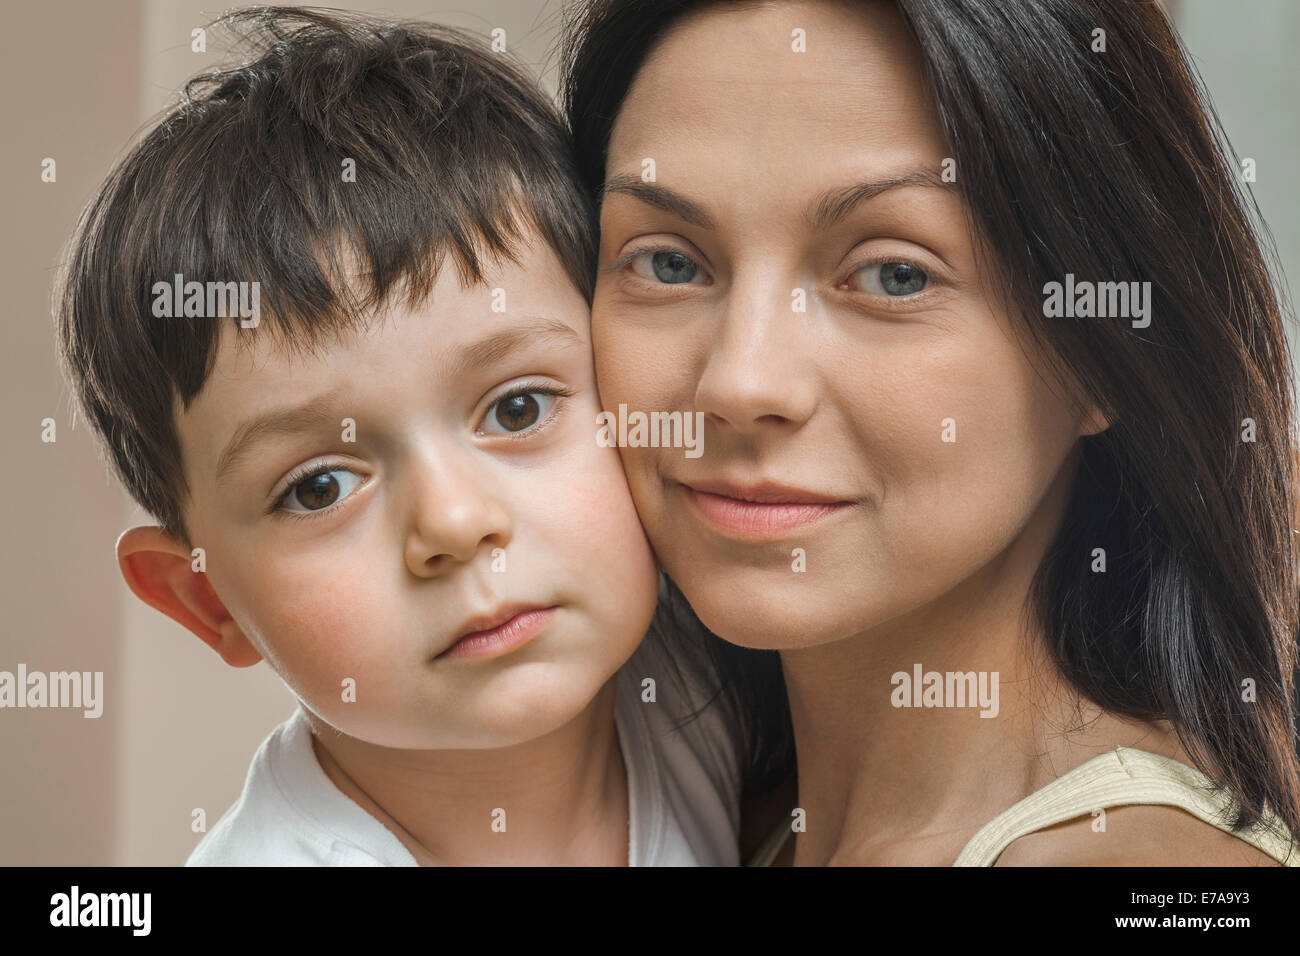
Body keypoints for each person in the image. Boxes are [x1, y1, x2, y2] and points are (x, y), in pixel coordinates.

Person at [563, 0, 1300, 865]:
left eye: (894, 274)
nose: (739, 382)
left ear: (1101, 348)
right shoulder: (713, 812)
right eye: (669, 263)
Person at [54, 7, 744, 866]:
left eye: (518, 409)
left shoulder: (714, 665)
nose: (454, 526)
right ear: (205, 600)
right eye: (319, 487)